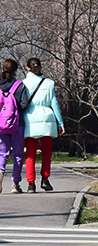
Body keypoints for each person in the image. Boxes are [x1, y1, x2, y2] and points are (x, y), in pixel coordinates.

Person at [22, 58, 64, 192]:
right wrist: (60, 122)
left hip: (30, 119)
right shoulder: (49, 83)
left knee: (30, 154)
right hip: (47, 118)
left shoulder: (23, 84)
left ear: (28, 68)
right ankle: (45, 179)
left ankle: (30, 184)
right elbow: (54, 104)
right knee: (46, 152)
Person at [0, 59, 30, 193]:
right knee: (18, 154)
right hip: (17, 124)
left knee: (2, 153)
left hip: (1, 125)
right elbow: (24, 104)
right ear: (15, 71)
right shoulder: (20, 86)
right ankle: (15, 184)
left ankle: (0, 174)